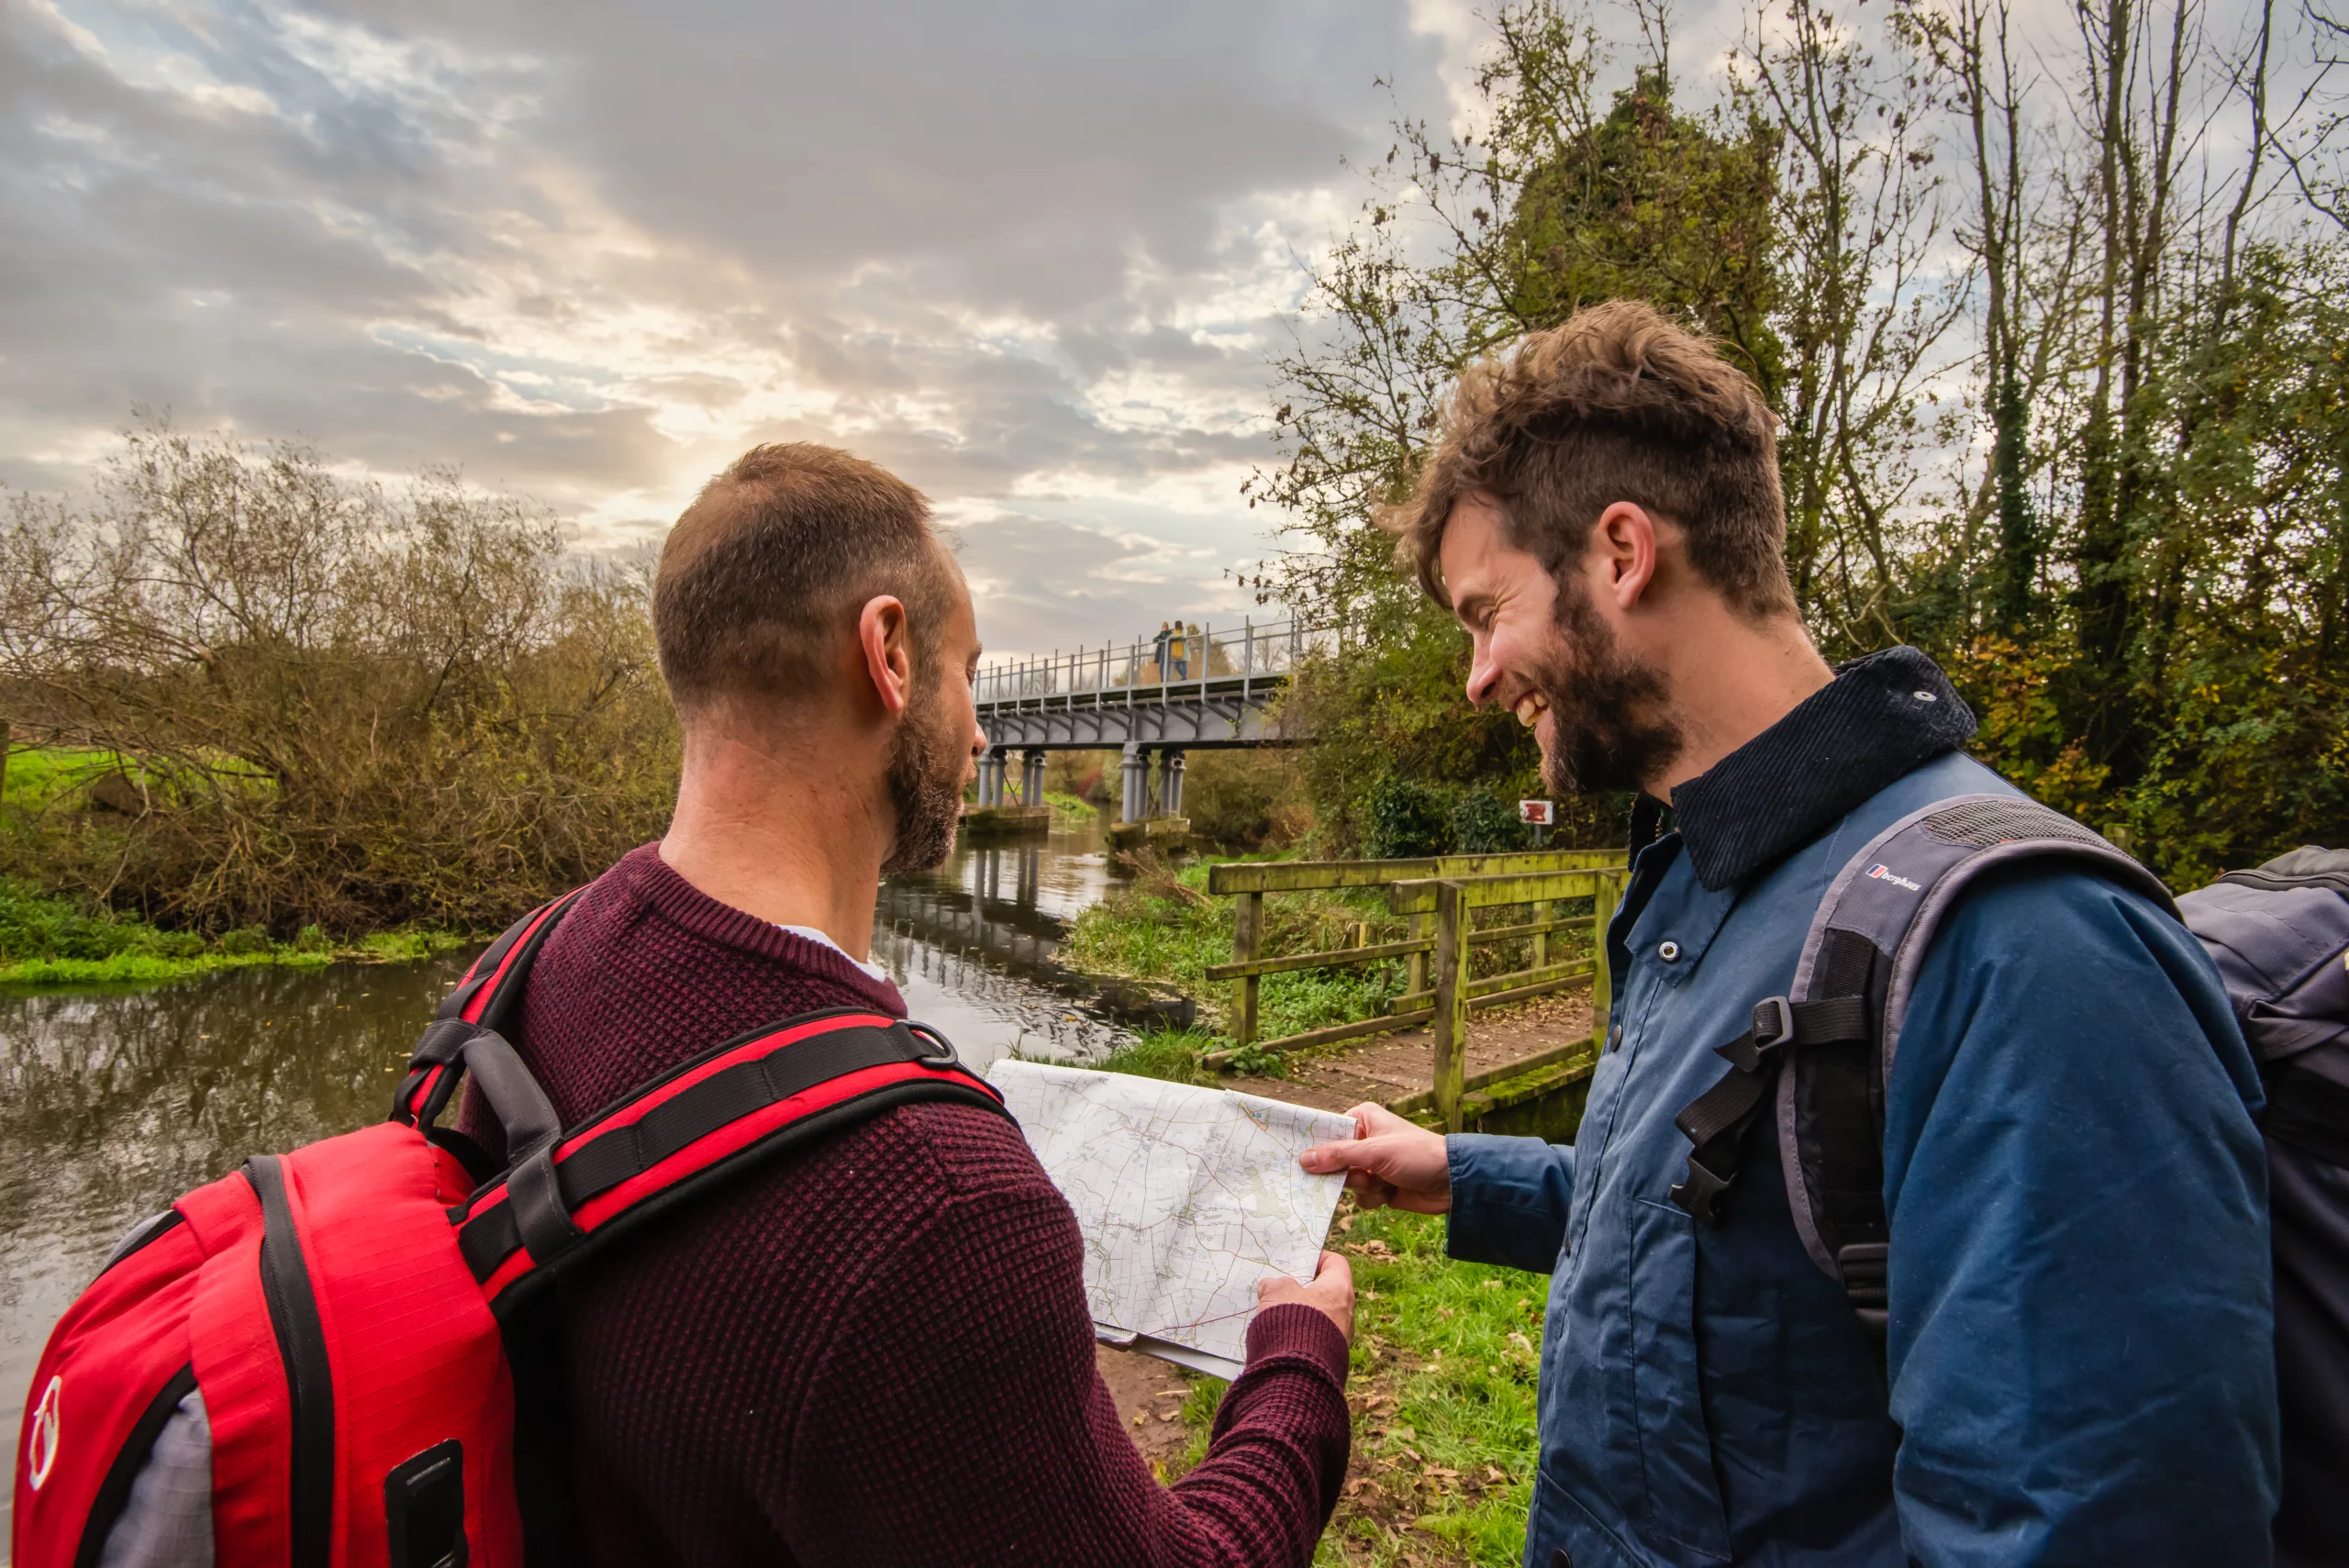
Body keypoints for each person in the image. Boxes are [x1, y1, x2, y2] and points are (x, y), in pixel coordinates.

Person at [1298, 302, 2277, 1566]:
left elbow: (2094, 1518)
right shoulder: (1706, 885)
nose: (1480, 677)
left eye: (1488, 613)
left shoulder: (2026, 949)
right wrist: (1471, 1177)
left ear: (1621, 553)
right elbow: (1725, 1246)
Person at [468, 443, 1353, 1566]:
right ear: (887, 652)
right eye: (968, 671)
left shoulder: (523, 968)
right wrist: (1297, 1364)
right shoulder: (937, 1203)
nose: (982, 727)